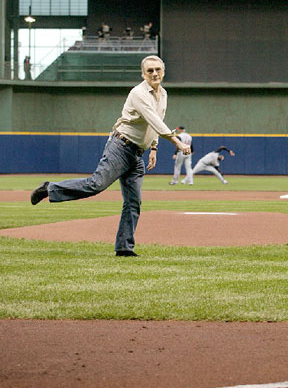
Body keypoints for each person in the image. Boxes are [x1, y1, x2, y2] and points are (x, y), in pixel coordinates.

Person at [30, 55, 191, 257]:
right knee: (95, 184)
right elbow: (153, 119)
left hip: (137, 154)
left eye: (158, 69)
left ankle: (124, 248)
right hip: (121, 147)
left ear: (163, 72)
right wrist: (177, 141)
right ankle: (50, 188)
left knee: (133, 202)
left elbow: (157, 121)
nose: (154, 73)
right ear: (143, 74)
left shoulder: (163, 94)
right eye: (150, 71)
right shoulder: (139, 93)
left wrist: (154, 148)